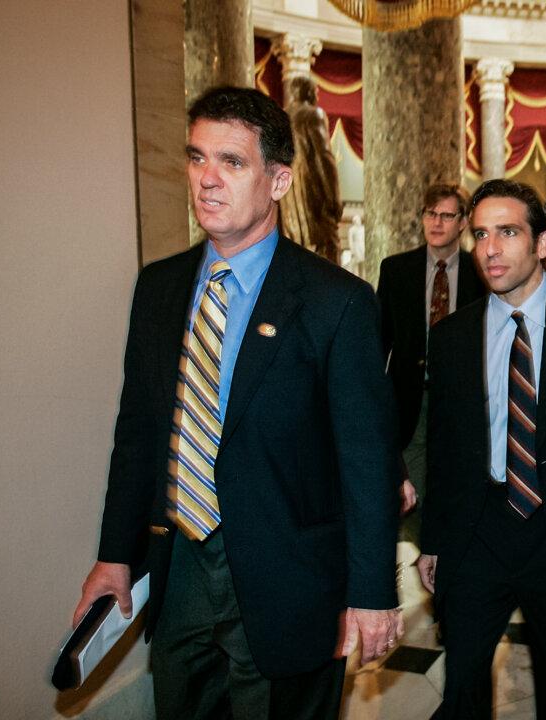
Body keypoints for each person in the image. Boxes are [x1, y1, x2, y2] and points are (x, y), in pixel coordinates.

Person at [72, 86, 403, 719]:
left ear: (279, 180)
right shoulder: (160, 288)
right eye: (197, 159)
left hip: (291, 579)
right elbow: (139, 431)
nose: (208, 180)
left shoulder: (337, 302)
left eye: (232, 162)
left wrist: (372, 594)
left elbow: (366, 462)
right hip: (181, 570)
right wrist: (115, 553)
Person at [417, 179, 546, 719]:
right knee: (463, 689)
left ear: (542, 244)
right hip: (478, 532)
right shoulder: (453, 335)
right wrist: (433, 540)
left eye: (507, 232)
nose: (490, 249)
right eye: (479, 234)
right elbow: (444, 448)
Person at [376, 184, 487, 543]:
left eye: (446, 215)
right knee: (412, 492)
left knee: (459, 487)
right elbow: (381, 340)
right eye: (430, 213)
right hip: (411, 402)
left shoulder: (480, 272)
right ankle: (422, 558)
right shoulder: (396, 270)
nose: (436, 222)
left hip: (464, 401)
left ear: (463, 222)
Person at [279, 76, 343, 263]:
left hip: (289, 201)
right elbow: (324, 157)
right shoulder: (313, 114)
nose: (317, 96)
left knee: (297, 258)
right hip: (314, 195)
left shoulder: (281, 119)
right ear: (307, 92)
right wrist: (333, 198)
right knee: (327, 254)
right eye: (316, 92)